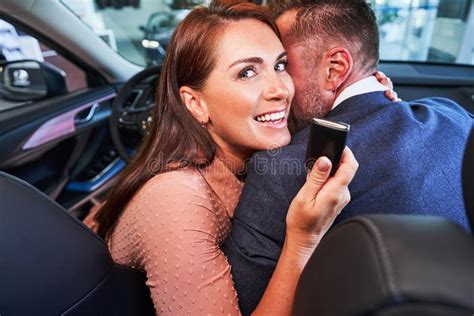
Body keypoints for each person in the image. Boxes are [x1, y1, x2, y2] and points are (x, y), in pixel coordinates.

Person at [85, 1, 361, 314]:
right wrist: (303, 239)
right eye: (247, 72)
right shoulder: (177, 199)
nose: (281, 90)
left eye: (281, 66)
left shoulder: (250, 150)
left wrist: (369, 95)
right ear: (196, 104)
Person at [221, 0, 474, 314]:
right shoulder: (454, 118)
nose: (277, 87)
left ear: (335, 68)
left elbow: (246, 306)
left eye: (284, 65)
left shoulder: (281, 171)